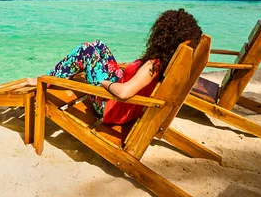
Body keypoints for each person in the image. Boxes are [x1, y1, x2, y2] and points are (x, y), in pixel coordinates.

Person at [27, 8, 202, 125]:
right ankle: (58, 75)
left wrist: (103, 82)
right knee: (98, 45)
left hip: (111, 107)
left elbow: (125, 92)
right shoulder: (165, 61)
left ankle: (46, 79)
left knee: (86, 50)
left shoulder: (153, 65)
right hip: (123, 100)